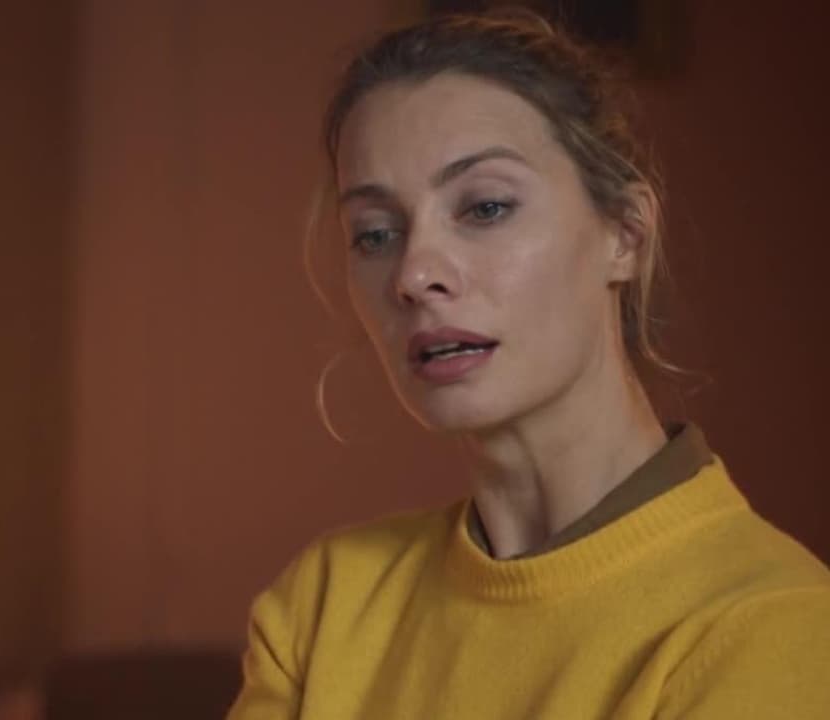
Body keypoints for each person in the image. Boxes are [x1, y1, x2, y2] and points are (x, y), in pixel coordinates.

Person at [226, 10, 830, 719]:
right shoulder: (325, 605)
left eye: (485, 208)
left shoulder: (770, 627)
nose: (414, 274)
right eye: (376, 234)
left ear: (625, 235)